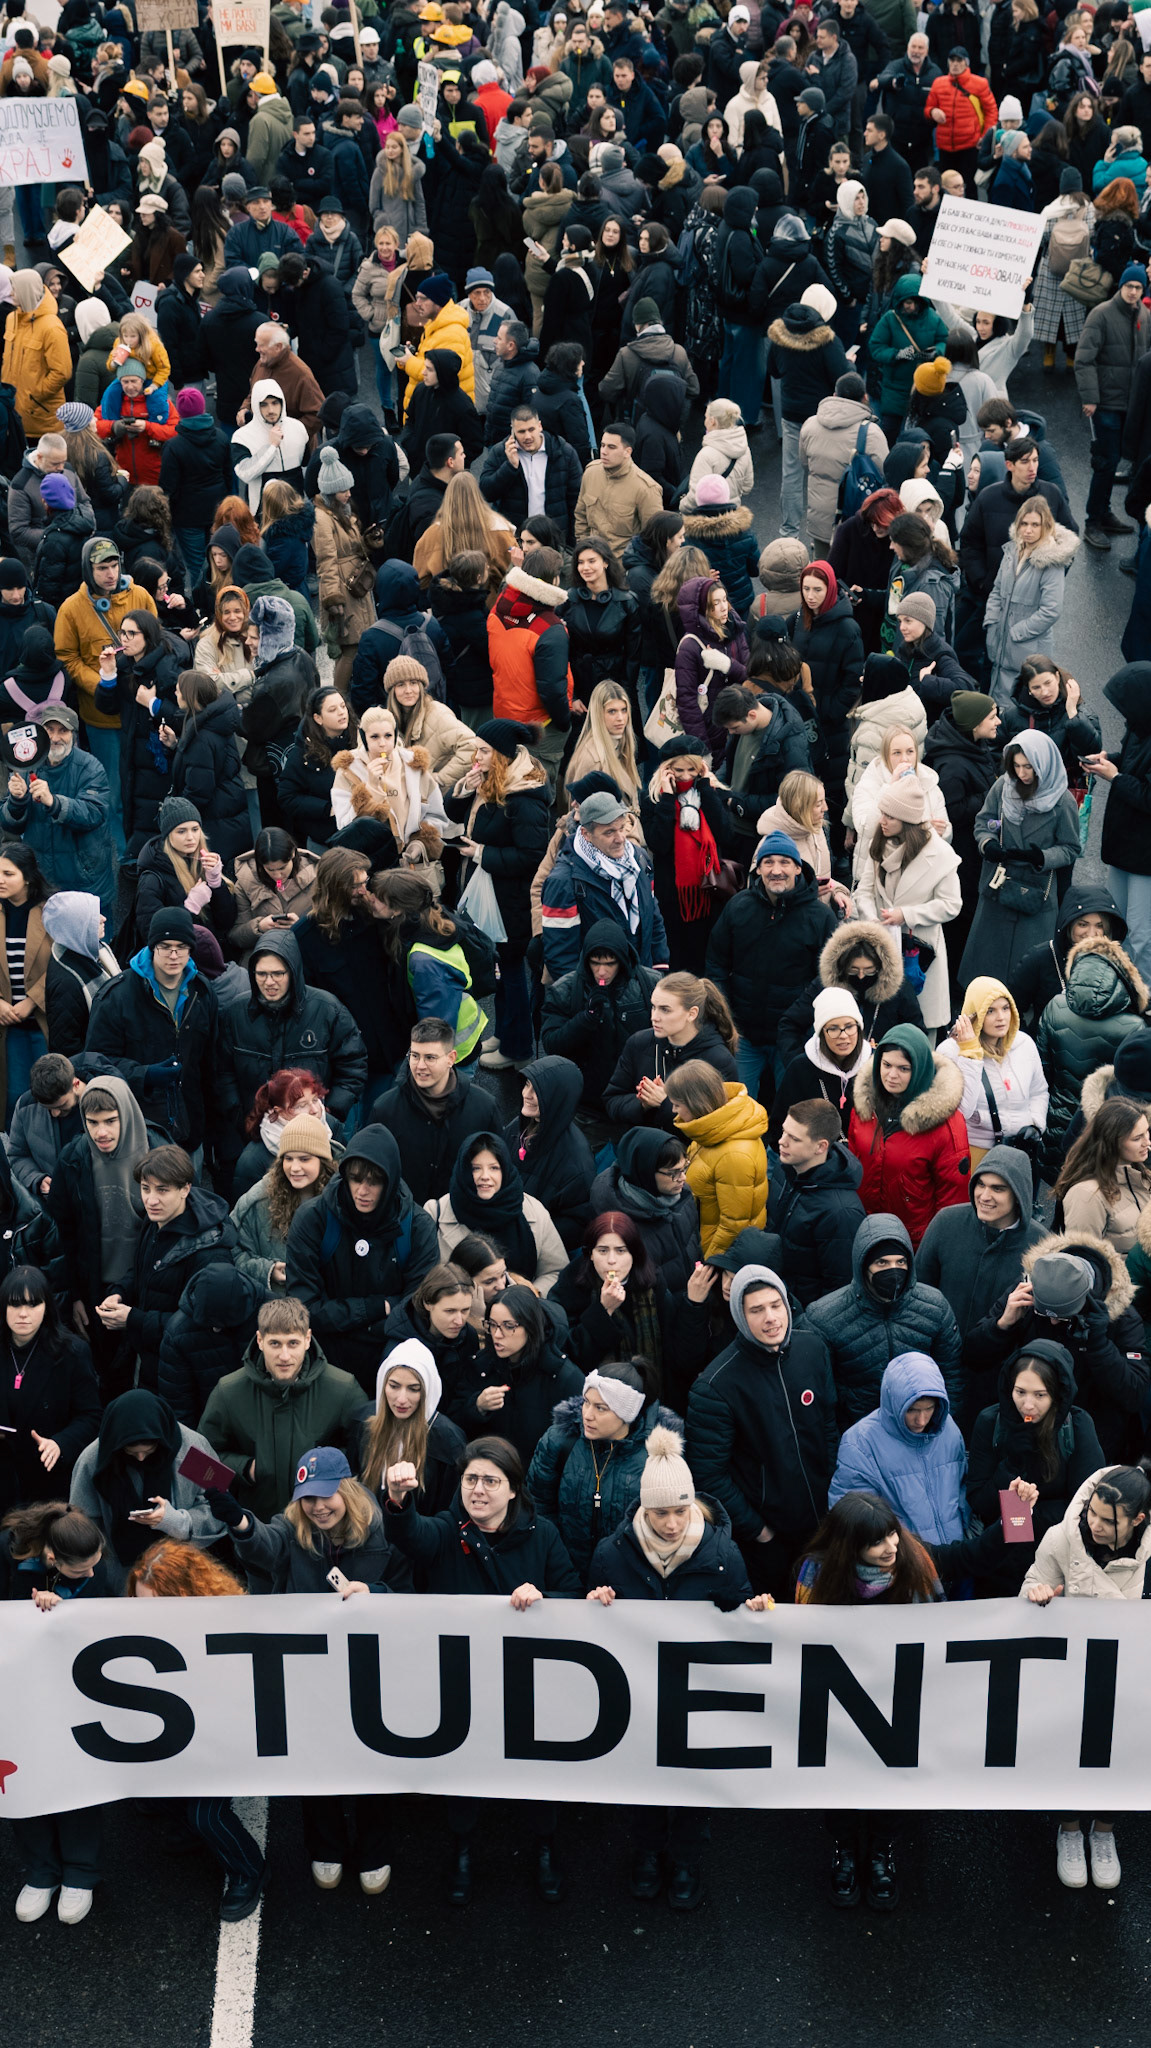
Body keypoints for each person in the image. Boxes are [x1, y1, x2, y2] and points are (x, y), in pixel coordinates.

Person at [382, 1432, 579, 1901]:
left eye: (491, 1481)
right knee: (464, 1766)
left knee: (536, 1768)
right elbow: (411, 1534)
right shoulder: (446, 1531)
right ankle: (462, 1846)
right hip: (463, 1678)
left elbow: (572, 1594)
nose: (478, 1490)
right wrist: (398, 1501)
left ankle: (545, 1844)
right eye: (471, 1479)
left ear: (513, 1489)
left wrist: (544, 1598)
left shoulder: (544, 1535)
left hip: (526, 1681)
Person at [205, 1443, 409, 1891]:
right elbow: (265, 1544)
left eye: (326, 1495)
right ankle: (325, 1845)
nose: (317, 1507)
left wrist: (376, 1595)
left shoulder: (382, 1529)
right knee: (316, 1756)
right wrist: (240, 1522)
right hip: (309, 1668)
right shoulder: (293, 1527)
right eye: (308, 1498)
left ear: (347, 1489)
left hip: (368, 1666)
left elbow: (409, 1588)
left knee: (373, 1757)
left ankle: (374, 1848)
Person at [584, 1421, 758, 1911]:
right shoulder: (612, 1554)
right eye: (661, 1513)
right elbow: (591, 1618)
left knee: (692, 1778)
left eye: (681, 1511)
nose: (673, 1524)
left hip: (696, 1692)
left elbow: (740, 1614)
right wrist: (595, 1602)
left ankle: (685, 1858)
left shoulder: (721, 1553)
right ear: (644, 1508)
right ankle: (648, 1850)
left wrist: (753, 1611)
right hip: (639, 1691)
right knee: (644, 1775)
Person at [792, 1491, 950, 1913]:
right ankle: (844, 1847)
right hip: (841, 1696)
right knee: (839, 1773)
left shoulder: (916, 1563)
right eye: (877, 1541)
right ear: (849, 1546)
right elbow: (803, 1636)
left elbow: (941, 1625)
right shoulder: (817, 1571)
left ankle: (881, 1849)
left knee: (890, 1775)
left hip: (898, 1693)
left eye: (892, 1534)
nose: (891, 1546)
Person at [1022, 1462, 1151, 1892]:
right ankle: (1071, 1830)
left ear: (1137, 1520)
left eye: (1108, 1521)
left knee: (1124, 1753)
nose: (1094, 1524)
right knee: (1069, 1751)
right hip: (1072, 1673)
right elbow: (1031, 1584)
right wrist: (1036, 1594)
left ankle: (1104, 1832)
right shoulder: (1061, 1538)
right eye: (1092, 1512)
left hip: (1129, 1675)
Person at [0, 1499, 118, 1926]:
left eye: (95, 1563)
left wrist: (62, 1608)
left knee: (74, 1776)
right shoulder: (8, 1554)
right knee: (23, 1776)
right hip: (17, 1692)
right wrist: (29, 1609)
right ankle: (41, 1872)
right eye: (81, 1570)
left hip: (73, 1690)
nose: (92, 1574)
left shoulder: (90, 1562)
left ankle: (80, 1873)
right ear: (51, 1557)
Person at [687, 1262, 836, 1595]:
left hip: (824, 1525)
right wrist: (758, 1531)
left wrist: (832, 1494)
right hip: (770, 1542)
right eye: (756, 1310)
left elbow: (828, 1425)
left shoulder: (813, 1350)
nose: (771, 1318)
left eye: (776, 1305)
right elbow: (709, 1476)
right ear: (739, 1316)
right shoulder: (716, 1385)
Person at [286, 1125, 438, 1395]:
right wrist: (375, 1307)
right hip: (326, 1350)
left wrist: (354, 1321)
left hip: (390, 1348)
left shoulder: (417, 1226)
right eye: (355, 1179)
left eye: (374, 1181)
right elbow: (304, 1309)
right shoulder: (313, 1218)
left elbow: (418, 1310)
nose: (362, 1191)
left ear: (390, 1181)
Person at [965, 1239, 1149, 1463]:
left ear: (1087, 1300)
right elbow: (973, 1358)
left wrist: (1099, 1344)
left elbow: (1133, 1394)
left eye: (1062, 1316)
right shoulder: (1026, 1293)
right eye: (1044, 1314)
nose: (1052, 1322)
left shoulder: (1122, 1318)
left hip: (1086, 1441)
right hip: (1024, 1430)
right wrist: (1002, 1325)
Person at [197, 1293, 363, 1523]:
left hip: (323, 1526)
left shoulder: (342, 1388)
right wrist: (246, 1469)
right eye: (275, 1343)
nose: (284, 1356)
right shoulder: (228, 1391)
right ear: (260, 1340)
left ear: (307, 1339)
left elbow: (365, 1456)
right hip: (255, 1527)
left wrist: (326, 1469)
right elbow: (200, 1465)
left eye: (293, 1343)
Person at [445, 722, 550, 1072]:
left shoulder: (524, 798)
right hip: (493, 894)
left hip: (511, 901)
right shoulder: (489, 780)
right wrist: (463, 789)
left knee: (512, 971)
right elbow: (452, 814)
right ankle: (505, 1034)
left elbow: (533, 855)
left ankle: (518, 1048)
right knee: (502, 968)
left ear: (502, 755)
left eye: (484, 750)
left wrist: (481, 854)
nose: (476, 756)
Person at [707, 829, 839, 1105]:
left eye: (784, 862)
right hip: (743, 1034)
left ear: (798, 868)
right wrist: (725, 1015)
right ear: (758, 869)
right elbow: (716, 964)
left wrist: (798, 1021)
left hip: (793, 1038)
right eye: (768, 862)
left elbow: (828, 978)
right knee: (735, 1107)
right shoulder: (738, 906)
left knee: (793, 1111)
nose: (776, 870)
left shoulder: (820, 917)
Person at [967, 1343, 1105, 1593]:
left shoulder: (1076, 1426)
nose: (1028, 1405)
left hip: (1056, 1559)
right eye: (1020, 1392)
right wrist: (1011, 1465)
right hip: (1000, 1560)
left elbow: (1086, 1505)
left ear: (1057, 1393)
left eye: (1040, 1395)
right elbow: (979, 1502)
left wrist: (1026, 1511)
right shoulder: (990, 1422)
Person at [84, 907, 219, 1159]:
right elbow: (94, 1063)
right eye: (165, 947)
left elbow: (212, 1062)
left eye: (181, 947)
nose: (174, 955)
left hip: (191, 1129)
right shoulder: (116, 997)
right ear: (151, 947)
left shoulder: (202, 991)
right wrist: (144, 1075)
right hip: (138, 1130)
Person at [962, 731, 1081, 988]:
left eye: (1028, 766)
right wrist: (987, 843)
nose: (1021, 773)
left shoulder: (1062, 801)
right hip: (998, 885)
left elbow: (1071, 848)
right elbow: (983, 822)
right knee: (986, 966)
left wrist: (1042, 857)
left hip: (1035, 892)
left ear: (1043, 764)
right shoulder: (1003, 787)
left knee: (1028, 975)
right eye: (1016, 766)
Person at [69, 1387, 226, 1576]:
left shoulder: (192, 1449)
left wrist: (176, 1521)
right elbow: (80, 1524)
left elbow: (223, 1508)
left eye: (149, 1450)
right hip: (119, 1575)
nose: (141, 1458)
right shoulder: (93, 1460)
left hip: (185, 1569)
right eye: (131, 1452)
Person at [830, 1351, 969, 1551]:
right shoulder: (860, 1442)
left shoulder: (947, 1428)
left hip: (957, 1553)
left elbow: (962, 1491)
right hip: (901, 1559)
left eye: (929, 1408)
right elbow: (855, 1520)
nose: (921, 1420)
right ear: (893, 1402)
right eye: (912, 1410)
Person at [854, 779, 963, 1033]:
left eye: (890, 816)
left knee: (921, 1028)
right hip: (881, 948)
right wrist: (872, 921)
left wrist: (906, 914)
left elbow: (951, 904)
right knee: (881, 1027)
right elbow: (863, 892)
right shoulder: (878, 843)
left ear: (907, 820)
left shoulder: (941, 854)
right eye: (882, 813)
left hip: (920, 951)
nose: (882, 820)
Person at [849, 1025, 969, 1248]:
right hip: (864, 1229)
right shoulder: (864, 1105)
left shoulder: (946, 1123)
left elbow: (952, 1200)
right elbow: (853, 1169)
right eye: (886, 1065)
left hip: (914, 1241)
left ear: (919, 1069)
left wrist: (936, 1249)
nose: (892, 1075)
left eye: (903, 1068)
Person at [0, 1264, 100, 1516]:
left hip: (48, 1477)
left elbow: (91, 1416)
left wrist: (60, 1443)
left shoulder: (72, 1352)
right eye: (14, 1304)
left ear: (47, 1307)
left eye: (33, 1304)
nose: (23, 1314)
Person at [541, 787, 668, 982]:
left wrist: (658, 973)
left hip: (641, 983)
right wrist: (590, 995)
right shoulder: (563, 881)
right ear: (586, 834)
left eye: (622, 828)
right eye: (609, 832)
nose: (620, 838)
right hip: (599, 989)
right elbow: (561, 956)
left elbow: (653, 918)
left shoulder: (639, 860)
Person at [426, 1131, 568, 1294]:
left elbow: (556, 1272)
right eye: (475, 1168)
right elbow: (425, 1279)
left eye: (494, 1168)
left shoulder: (533, 1210)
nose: (485, 1176)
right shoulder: (436, 1212)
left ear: (505, 1170)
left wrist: (529, 1295)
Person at [775, 919, 926, 1070]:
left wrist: (892, 1058)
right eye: (853, 970)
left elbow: (916, 1034)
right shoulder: (824, 985)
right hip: (829, 1070)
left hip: (880, 1073)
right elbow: (790, 1024)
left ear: (880, 967)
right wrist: (800, 1065)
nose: (861, 976)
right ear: (842, 966)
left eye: (869, 970)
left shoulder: (899, 988)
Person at [1075, 267, 1151, 553]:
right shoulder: (1101, 314)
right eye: (1129, 286)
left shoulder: (1144, 315)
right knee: (1106, 462)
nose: (1133, 292)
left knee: (1122, 460)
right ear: (1121, 286)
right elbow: (1084, 359)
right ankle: (1093, 522)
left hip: (1132, 405)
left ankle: (1104, 513)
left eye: (1138, 287)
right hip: (1106, 402)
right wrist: (1090, 398)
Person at [604, 971, 739, 1132]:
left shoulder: (719, 1059)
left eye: (665, 1010)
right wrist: (642, 1103)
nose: (654, 1017)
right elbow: (612, 1101)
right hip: (643, 1144)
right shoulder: (638, 1043)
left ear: (692, 1014)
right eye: (653, 1007)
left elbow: (720, 1125)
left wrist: (667, 1103)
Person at [937, 976, 1047, 1170]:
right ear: (974, 1015)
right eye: (990, 1011)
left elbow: (1039, 1091)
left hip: (1019, 1153)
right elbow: (962, 1111)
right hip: (974, 1153)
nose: (1001, 1017)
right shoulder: (950, 1052)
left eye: (1005, 1008)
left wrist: (1036, 1125)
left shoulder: (1024, 1043)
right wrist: (970, 1053)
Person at [664, 1061, 768, 1258]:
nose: (673, 1111)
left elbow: (734, 1225)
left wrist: (710, 1265)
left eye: (677, 1104)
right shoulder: (711, 1131)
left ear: (696, 1103)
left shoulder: (734, 1156)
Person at [1054, 1098, 1151, 1256]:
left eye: (1147, 1132)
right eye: (1137, 1138)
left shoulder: (1140, 1175)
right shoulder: (1086, 1195)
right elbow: (1085, 1260)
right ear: (1112, 1141)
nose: (1147, 1142)